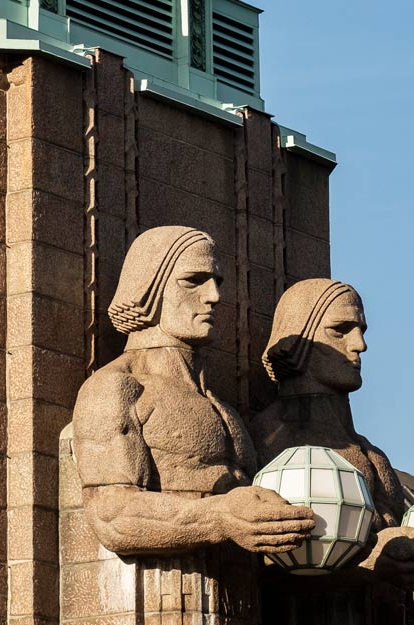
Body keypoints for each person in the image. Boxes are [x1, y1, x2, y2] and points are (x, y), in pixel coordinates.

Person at [71, 226, 318, 560]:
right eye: (193, 281)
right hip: (161, 586)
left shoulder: (226, 411)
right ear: (149, 288)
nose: (213, 296)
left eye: (217, 282)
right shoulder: (117, 388)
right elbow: (112, 516)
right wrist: (220, 516)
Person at [252, 279, 414, 591]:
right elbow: (264, 554)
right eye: (340, 330)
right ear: (298, 337)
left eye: (361, 331)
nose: (359, 345)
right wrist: (374, 562)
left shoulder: (374, 456)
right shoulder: (269, 435)